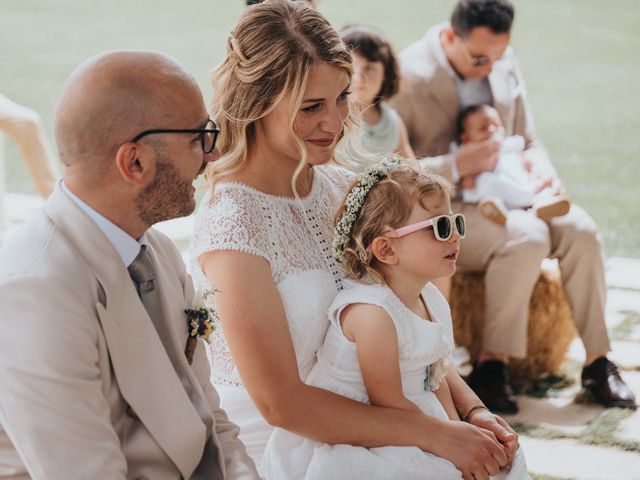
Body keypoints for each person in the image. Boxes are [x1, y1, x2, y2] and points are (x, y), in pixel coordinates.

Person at [192, 1, 519, 478]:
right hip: (284, 446)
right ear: (258, 103)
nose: (336, 121)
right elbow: (281, 404)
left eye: (342, 97)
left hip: (391, 421)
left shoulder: (342, 189)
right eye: (311, 107)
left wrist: (471, 412)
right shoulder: (232, 224)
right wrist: (437, 434)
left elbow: (406, 318)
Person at [0, 51, 259, 479]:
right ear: (134, 162)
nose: (212, 155)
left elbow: (212, 421)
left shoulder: (156, 249)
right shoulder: (36, 291)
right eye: (199, 137)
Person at [390, 0, 635, 413]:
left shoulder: (502, 60)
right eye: (481, 58)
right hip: (448, 209)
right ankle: (491, 367)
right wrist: (457, 165)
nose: (491, 67)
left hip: (519, 194)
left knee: (582, 230)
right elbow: (394, 171)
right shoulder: (407, 75)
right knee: (527, 237)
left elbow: (529, 138)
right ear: (450, 38)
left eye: (499, 57)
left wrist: (542, 177)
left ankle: (598, 361)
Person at [262, 161, 530, 479]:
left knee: (502, 460)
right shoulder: (372, 315)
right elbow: (388, 406)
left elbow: (436, 371)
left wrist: (472, 417)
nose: (455, 236)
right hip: (373, 428)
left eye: (457, 223)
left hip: (414, 413)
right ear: (387, 249)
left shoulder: (429, 297)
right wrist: (453, 441)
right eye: (441, 227)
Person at [456, 104, 570, 225]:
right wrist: (469, 179)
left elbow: (523, 156)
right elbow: (465, 180)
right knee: (487, 189)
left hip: (517, 182)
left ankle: (543, 205)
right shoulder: (469, 153)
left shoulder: (509, 144)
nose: (492, 130)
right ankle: (496, 211)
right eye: (483, 128)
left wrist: (530, 165)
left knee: (537, 188)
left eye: (496, 125)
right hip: (495, 188)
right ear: (466, 138)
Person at [339, 25, 414, 169]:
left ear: (385, 74)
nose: (359, 79)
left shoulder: (392, 123)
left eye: (369, 68)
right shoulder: (334, 117)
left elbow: (411, 170)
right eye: (352, 67)